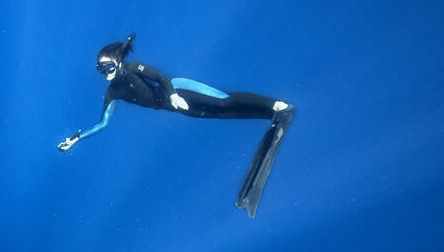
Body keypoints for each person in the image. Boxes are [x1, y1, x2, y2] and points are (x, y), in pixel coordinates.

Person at [58, 33, 295, 217]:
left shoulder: (132, 68)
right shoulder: (113, 92)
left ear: (119, 62)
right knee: (222, 115)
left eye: (108, 67)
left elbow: (160, 77)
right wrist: (77, 138)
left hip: (180, 90)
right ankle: (270, 115)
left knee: (224, 102)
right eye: (100, 69)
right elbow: (102, 123)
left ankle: (279, 106)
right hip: (176, 106)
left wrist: (172, 95)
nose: (105, 73)